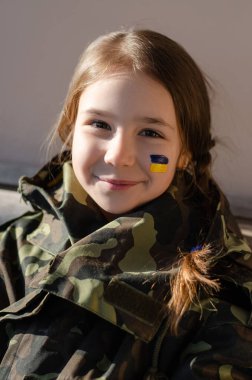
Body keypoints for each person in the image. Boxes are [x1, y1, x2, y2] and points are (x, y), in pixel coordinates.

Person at [0, 29, 251, 380]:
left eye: (151, 133)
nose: (119, 156)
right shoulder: (15, 246)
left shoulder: (219, 289)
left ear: (185, 153)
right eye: (100, 124)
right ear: (70, 130)